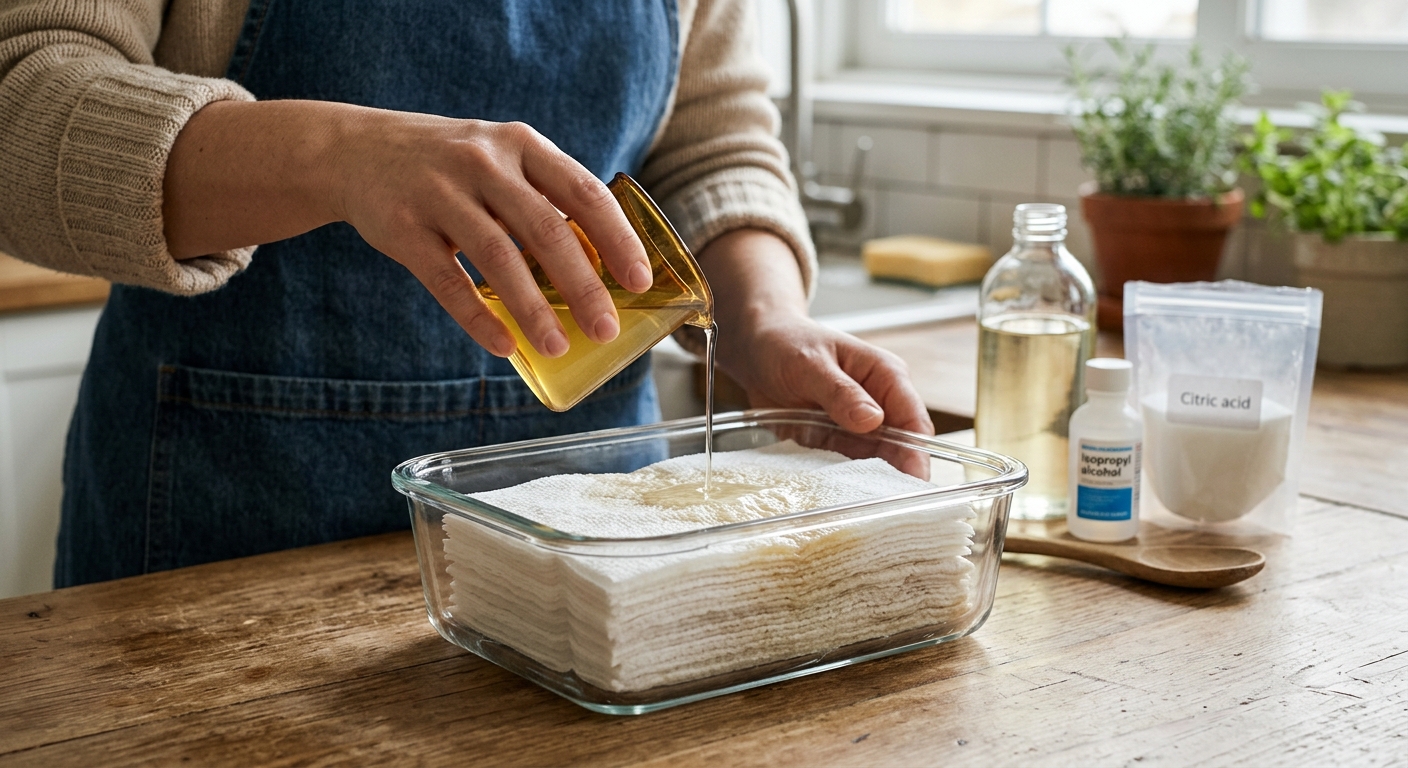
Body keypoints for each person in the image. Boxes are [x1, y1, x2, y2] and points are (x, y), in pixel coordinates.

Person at [0, 0, 933, 587]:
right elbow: (22, 91)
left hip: (604, 537)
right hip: (232, 520)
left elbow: (711, 139)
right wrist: (337, 156)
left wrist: (763, 319)